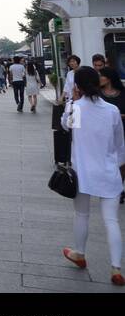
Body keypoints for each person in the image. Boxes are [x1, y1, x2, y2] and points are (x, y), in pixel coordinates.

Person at [59, 66, 124, 286]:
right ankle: (116, 267)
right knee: (112, 220)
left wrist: (71, 101)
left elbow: (65, 126)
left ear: (77, 85)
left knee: (82, 215)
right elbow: (119, 146)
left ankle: (79, 253)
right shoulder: (112, 110)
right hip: (109, 172)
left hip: (83, 173)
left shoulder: (76, 108)